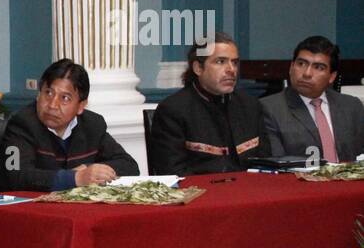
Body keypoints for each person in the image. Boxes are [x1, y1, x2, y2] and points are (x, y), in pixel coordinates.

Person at [2, 58, 139, 190]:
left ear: (81, 106)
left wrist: (87, 168)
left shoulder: (93, 125)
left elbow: (129, 165)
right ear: (38, 95)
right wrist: (75, 178)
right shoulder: (21, 125)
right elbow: (16, 176)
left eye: (65, 98)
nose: (53, 105)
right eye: (48, 93)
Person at [148, 32, 269, 174]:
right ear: (198, 68)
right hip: (200, 193)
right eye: (220, 62)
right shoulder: (173, 110)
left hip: (250, 192)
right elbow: (172, 173)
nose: (231, 70)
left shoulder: (250, 105)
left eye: (234, 62)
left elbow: (265, 163)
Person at [260, 35, 364, 164]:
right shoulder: (269, 108)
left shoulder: (351, 106)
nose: (307, 73)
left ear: (332, 76)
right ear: (291, 67)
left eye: (319, 67)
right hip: (298, 182)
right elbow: (278, 164)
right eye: (301, 64)